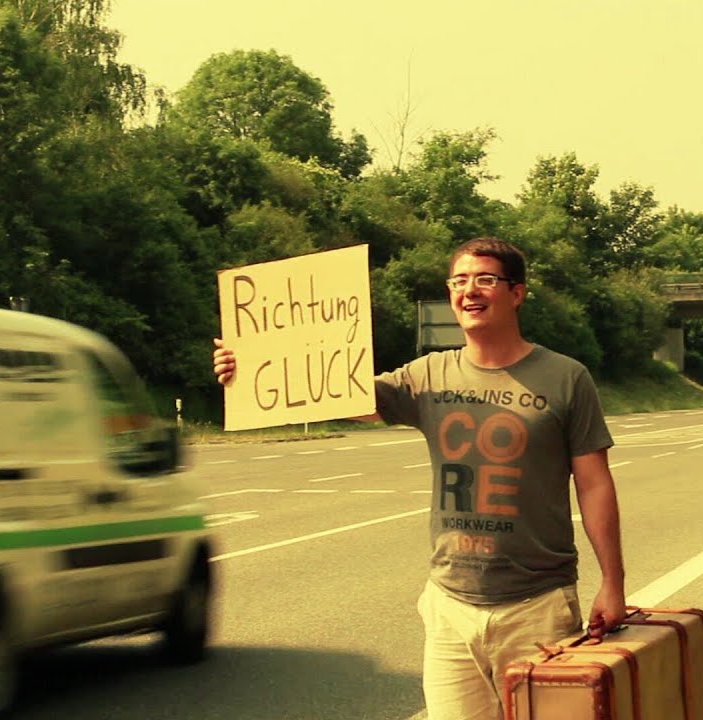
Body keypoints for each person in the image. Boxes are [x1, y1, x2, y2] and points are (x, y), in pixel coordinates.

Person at [212, 237, 626, 720]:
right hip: (450, 606)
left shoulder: (565, 378)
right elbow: (340, 393)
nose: (469, 290)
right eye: (459, 281)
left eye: (486, 279)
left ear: (517, 293)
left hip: (537, 607)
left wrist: (612, 582)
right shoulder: (429, 374)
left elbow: (594, 484)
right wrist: (250, 366)